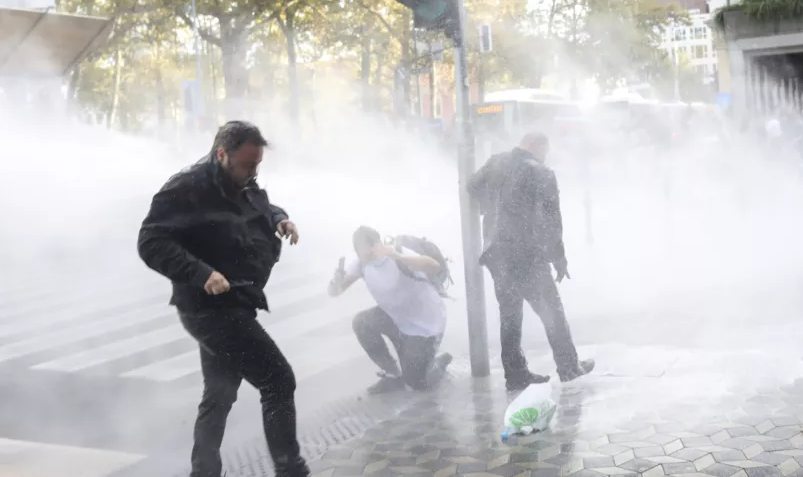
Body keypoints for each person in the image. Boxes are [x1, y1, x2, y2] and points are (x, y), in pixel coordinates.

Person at [137, 121, 309, 477]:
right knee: (278, 380)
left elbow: (257, 204)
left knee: (219, 394)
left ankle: (204, 471)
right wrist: (202, 273)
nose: (253, 173)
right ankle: (290, 469)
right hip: (209, 310)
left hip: (238, 302)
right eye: (247, 164)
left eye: (257, 165)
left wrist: (280, 218)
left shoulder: (238, 181)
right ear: (221, 154)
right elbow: (151, 242)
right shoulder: (186, 187)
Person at [468, 132, 595, 392]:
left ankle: (515, 375)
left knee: (510, 316)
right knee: (552, 312)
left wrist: (490, 207)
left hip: (496, 255)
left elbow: (471, 187)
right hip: (526, 256)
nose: (545, 156)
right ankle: (569, 367)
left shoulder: (495, 162)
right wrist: (559, 259)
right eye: (545, 151)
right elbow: (551, 220)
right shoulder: (542, 173)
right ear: (537, 146)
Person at [328, 226, 452, 394]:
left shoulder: (397, 252)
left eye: (373, 248)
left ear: (378, 243)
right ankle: (393, 375)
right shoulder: (361, 264)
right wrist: (335, 284)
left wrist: (397, 256)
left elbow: (434, 266)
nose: (370, 255)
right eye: (363, 252)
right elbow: (335, 292)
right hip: (397, 320)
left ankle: (438, 364)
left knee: (416, 384)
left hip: (427, 325)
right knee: (361, 322)